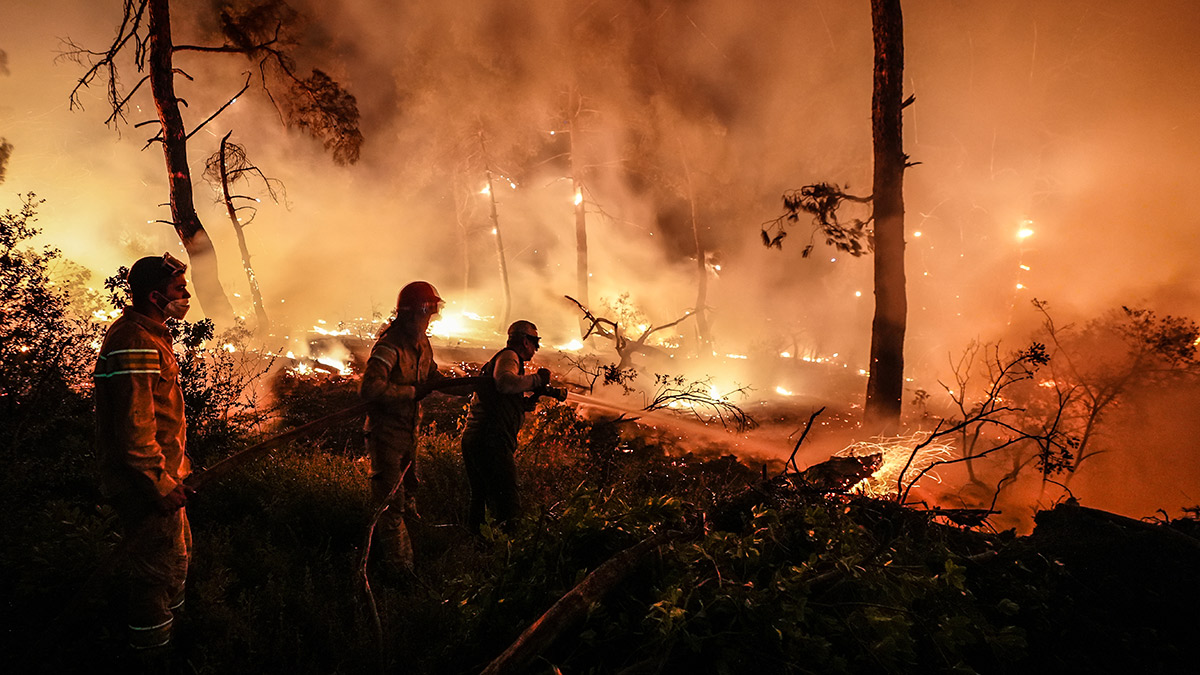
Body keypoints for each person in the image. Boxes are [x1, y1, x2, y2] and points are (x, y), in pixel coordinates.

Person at [93, 253, 193, 655]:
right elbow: (136, 431)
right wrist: (158, 483)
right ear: (155, 296)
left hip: (166, 480)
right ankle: (151, 656)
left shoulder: (149, 335)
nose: (186, 296)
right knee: (155, 576)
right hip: (148, 487)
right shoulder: (135, 342)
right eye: (178, 290)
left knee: (175, 566)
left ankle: (178, 643)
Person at [359, 280, 452, 571]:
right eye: (427, 314)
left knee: (410, 490)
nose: (429, 321)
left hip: (409, 433)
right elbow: (370, 389)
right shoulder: (389, 347)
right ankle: (399, 572)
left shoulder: (423, 345)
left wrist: (472, 385)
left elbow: (433, 377)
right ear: (414, 313)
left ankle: (417, 549)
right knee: (391, 503)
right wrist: (412, 393)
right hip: (386, 435)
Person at [460, 320, 551, 533]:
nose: (536, 348)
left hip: (477, 438)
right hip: (491, 440)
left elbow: (500, 394)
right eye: (534, 342)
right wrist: (537, 379)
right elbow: (504, 383)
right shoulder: (510, 357)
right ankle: (506, 553)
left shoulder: (506, 359)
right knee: (507, 503)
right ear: (524, 341)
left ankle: (477, 547)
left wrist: (523, 404)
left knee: (481, 498)